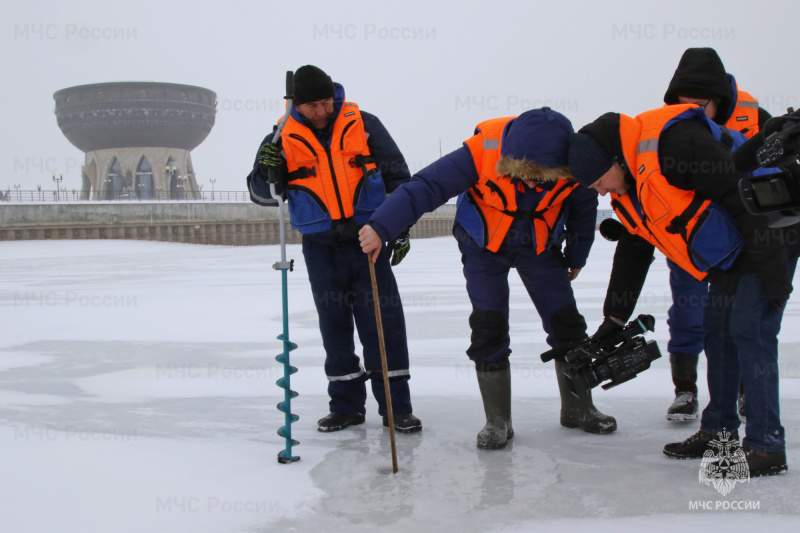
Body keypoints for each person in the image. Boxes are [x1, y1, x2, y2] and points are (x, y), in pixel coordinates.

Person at [359, 107, 616, 450]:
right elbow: (426, 187)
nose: (529, 183)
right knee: (489, 325)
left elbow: (584, 213)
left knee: (567, 324)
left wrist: (576, 256)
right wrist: (381, 226)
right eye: (523, 174)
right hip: (483, 243)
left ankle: (579, 409)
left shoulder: (574, 164)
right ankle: (498, 421)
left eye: (540, 177)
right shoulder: (481, 152)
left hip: (539, 247)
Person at [568, 104, 798, 477]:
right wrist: (615, 318)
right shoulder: (631, 188)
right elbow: (634, 250)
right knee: (717, 333)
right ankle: (718, 432)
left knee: (750, 331)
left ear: (614, 160)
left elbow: (742, 194)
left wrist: (773, 276)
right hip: (733, 254)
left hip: (768, 233)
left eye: (597, 180)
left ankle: (766, 445)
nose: (598, 191)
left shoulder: (674, 146)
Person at [247, 65, 422, 434]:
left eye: (327, 102)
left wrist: (398, 228)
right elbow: (262, 195)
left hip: (368, 239)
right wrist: (266, 170)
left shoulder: (365, 124)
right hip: (321, 247)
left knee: (383, 324)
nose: (323, 111)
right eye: (313, 106)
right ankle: (346, 406)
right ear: (296, 103)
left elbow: (399, 178)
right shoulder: (279, 137)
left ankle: (396, 407)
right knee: (334, 327)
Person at [660, 47, 772, 422]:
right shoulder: (666, 124)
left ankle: (741, 392)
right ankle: (685, 390)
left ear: (719, 101)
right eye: (679, 103)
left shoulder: (757, 119)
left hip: (744, 236)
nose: (687, 110)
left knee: (738, 320)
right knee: (688, 311)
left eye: (696, 104)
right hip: (690, 236)